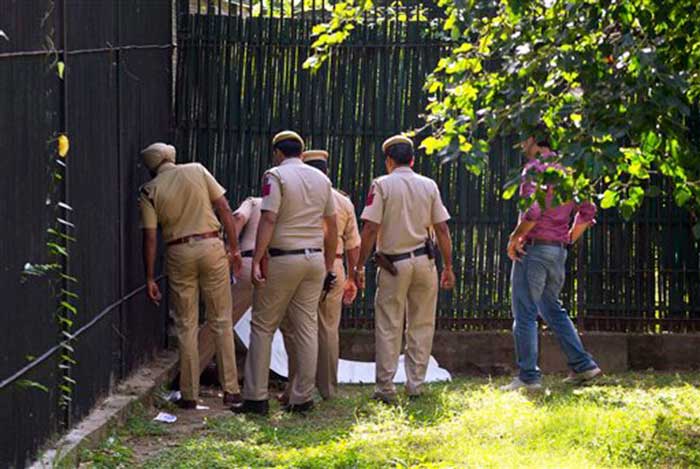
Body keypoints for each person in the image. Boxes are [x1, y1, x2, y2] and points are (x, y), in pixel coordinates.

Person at [232, 131, 338, 415]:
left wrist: (256, 259)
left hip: (283, 258)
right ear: (302, 153)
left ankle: (255, 397)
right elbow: (332, 225)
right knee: (306, 327)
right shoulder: (322, 180)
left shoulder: (275, 175)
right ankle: (302, 397)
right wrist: (328, 263)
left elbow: (269, 217)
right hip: (313, 259)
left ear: (278, 153)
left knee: (263, 325)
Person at [352, 135, 455, 404]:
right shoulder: (429, 185)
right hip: (425, 262)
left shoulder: (382, 185)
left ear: (389, 160)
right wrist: (449, 266)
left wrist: (359, 265)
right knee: (421, 323)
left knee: (389, 324)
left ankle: (386, 387)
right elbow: (442, 228)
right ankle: (415, 385)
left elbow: (371, 227)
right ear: (412, 159)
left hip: (393, 264)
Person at [139, 142, 243, 408]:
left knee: (186, 325)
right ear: (172, 156)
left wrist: (150, 276)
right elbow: (224, 207)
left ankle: (189, 394)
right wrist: (234, 248)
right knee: (221, 319)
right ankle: (231, 390)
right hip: (211, 246)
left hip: (177, 252)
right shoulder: (197, 170)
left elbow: (150, 237)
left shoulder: (149, 191)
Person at [500, 124, 601, 391]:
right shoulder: (570, 169)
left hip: (533, 249)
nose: (522, 146)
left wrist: (515, 238)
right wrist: (567, 237)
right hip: (557, 250)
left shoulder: (533, 169)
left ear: (534, 140)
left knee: (525, 313)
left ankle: (528, 377)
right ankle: (583, 365)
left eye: (524, 140)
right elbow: (588, 211)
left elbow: (532, 212)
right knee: (551, 308)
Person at [280, 149, 361, 402]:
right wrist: (352, 277)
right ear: (327, 171)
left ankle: (296, 389)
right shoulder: (343, 201)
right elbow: (353, 244)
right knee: (328, 328)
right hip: (334, 266)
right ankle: (328, 389)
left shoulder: (295, 194)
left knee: (297, 328)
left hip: (302, 263)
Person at [197, 196, 262, 381]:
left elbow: (239, 217)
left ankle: (190, 372)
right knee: (266, 328)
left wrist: (232, 248)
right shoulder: (291, 206)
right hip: (281, 265)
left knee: (221, 318)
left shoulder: (255, 202)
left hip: (250, 262)